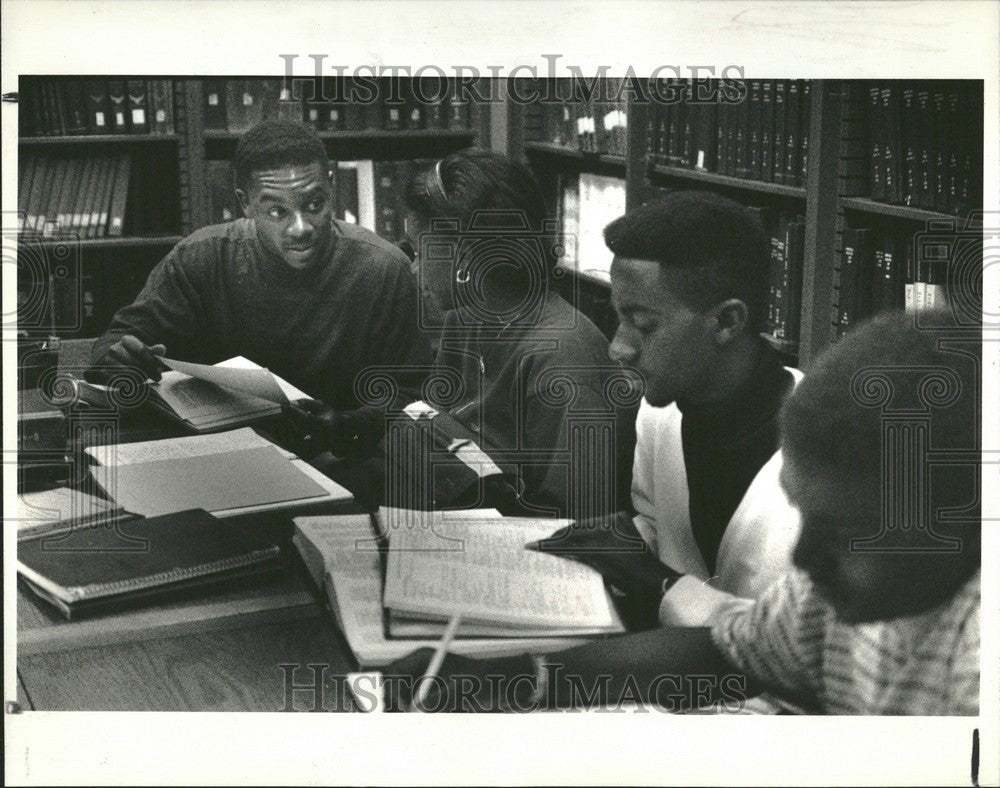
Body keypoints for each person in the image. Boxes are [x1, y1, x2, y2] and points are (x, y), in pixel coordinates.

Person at [384, 310, 981, 714]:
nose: (803, 558)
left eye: (842, 533)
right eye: (803, 517)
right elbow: (726, 652)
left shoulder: (976, 666)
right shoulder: (825, 597)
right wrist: (522, 676)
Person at [295, 148, 638, 518]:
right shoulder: (466, 320)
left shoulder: (564, 359)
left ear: (464, 256)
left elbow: (576, 517)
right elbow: (438, 423)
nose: (413, 268)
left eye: (420, 251)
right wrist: (350, 426)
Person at [532, 193, 803, 628]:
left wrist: (650, 577)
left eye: (644, 324)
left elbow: (791, 644)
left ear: (728, 322)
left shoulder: (824, 457)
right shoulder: (660, 413)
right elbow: (661, 533)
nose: (618, 347)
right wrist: (618, 544)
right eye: (618, 319)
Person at [90, 121, 431, 414]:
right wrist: (119, 357)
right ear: (245, 203)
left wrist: (351, 427)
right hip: (226, 450)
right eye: (276, 213)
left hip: (344, 457)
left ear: (332, 186)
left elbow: (414, 396)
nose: (301, 228)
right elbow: (116, 344)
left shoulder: (384, 268)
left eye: (314, 204)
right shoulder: (201, 258)